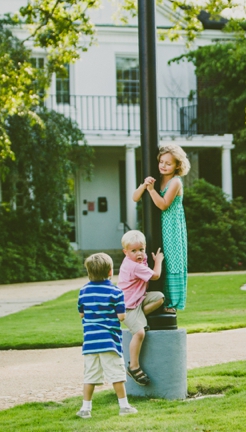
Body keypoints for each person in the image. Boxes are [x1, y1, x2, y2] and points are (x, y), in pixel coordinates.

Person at [76, 253, 137, 418]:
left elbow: (82, 314)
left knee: (90, 376)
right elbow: (121, 316)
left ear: (89, 272)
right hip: (109, 341)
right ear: (110, 271)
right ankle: (124, 406)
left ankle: (85, 409)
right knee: (117, 375)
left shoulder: (83, 291)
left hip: (90, 342)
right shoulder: (116, 291)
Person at [132, 144, 189, 314]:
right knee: (155, 258)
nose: (163, 166)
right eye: (161, 162)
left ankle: (172, 303)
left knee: (171, 260)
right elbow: (135, 198)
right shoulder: (156, 177)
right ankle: (153, 297)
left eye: (168, 163)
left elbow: (164, 205)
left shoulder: (175, 182)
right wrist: (144, 186)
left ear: (177, 165)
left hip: (172, 225)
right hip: (159, 225)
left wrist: (151, 190)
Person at [117, 230, 165, 386]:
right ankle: (133, 366)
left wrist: (145, 258)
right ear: (126, 252)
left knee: (159, 297)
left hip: (138, 299)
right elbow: (156, 275)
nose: (139, 254)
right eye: (134, 251)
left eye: (141, 250)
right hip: (128, 306)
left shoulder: (139, 260)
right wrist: (158, 261)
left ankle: (139, 318)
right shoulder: (133, 266)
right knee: (139, 333)